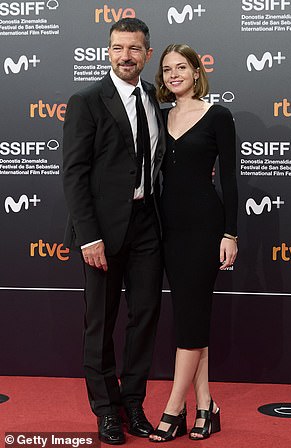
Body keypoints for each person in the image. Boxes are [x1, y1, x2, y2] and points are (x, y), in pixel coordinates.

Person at [62, 18, 166, 445]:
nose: (126, 56)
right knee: (100, 325)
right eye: (119, 47)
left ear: (148, 53)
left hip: (147, 226)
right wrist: (89, 237)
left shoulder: (156, 99)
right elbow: (74, 173)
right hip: (101, 232)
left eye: (135, 49)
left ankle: (133, 403)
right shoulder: (86, 100)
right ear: (108, 50)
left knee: (145, 318)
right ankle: (105, 410)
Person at [149, 44, 238, 443]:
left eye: (181, 67)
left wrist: (230, 233)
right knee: (193, 319)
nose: (173, 75)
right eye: (167, 69)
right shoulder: (161, 116)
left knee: (190, 322)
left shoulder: (218, 115)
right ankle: (206, 406)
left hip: (206, 227)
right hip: (169, 229)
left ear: (197, 71)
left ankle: (173, 409)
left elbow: (231, 181)